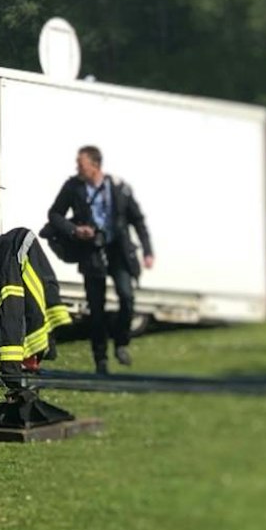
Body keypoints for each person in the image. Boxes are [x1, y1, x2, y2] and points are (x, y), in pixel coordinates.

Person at [45, 145, 154, 374]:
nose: (77, 168)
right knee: (96, 309)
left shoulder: (118, 187)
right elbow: (55, 215)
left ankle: (121, 342)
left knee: (127, 298)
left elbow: (137, 219)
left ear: (95, 166)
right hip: (91, 251)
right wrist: (75, 230)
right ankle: (100, 359)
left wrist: (147, 251)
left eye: (81, 164)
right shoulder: (73, 186)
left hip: (118, 251)